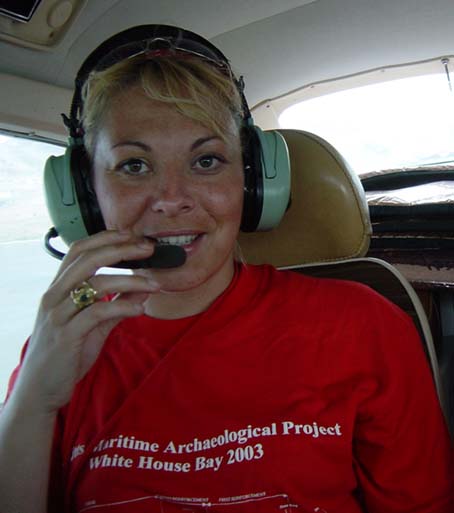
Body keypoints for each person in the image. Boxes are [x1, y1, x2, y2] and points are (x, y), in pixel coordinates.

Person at [0, 24, 452, 513]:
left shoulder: (364, 325)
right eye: (134, 165)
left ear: (253, 184)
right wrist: (35, 399)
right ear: (85, 196)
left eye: (207, 161)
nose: (171, 200)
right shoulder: (60, 346)